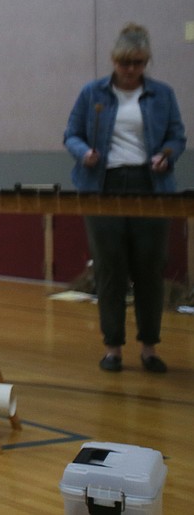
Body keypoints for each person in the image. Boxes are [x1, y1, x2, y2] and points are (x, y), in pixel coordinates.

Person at [64, 23, 185, 374]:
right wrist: (83, 151)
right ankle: (113, 348)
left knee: (150, 266)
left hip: (151, 186)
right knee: (109, 268)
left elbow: (177, 137)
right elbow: (71, 134)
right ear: (113, 61)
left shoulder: (162, 94)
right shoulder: (93, 94)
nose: (130, 70)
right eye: (123, 63)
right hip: (103, 186)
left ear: (146, 62)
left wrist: (167, 154)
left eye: (137, 63)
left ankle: (149, 348)